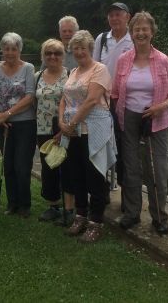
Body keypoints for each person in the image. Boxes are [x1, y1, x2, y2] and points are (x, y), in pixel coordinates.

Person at [111, 11, 168, 235]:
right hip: (128, 117)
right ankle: (132, 214)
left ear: (152, 32)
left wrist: (160, 107)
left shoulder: (163, 60)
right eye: (136, 29)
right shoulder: (124, 60)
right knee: (131, 169)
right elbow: (114, 93)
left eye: (145, 29)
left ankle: (159, 217)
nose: (140, 33)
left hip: (156, 118)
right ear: (131, 33)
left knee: (157, 171)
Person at [59, 30, 117, 243]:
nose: (80, 51)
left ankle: (96, 223)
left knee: (95, 176)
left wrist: (72, 123)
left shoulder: (99, 69)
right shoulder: (73, 71)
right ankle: (80, 216)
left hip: (93, 130)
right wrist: (61, 122)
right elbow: (64, 98)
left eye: (83, 47)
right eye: (76, 48)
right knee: (77, 175)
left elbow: (92, 100)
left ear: (90, 49)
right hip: (72, 132)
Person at [0, 32, 37, 218]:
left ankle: (24, 204)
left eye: (14, 49)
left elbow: (30, 96)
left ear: (19, 50)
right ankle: (12, 203)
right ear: (2, 50)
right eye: (7, 49)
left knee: (22, 165)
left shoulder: (28, 68)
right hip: (2, 124)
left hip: (24, 123)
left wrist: (7, 114)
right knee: (8, 164)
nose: (10, 52)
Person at [35, 39, 75, 225]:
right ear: (43, 55)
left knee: (67, 168)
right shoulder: (37, 76)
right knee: (48, 167)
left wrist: (64, 129)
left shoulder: (71, 76)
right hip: (42, 129)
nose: (52, 56)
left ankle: (70, 209)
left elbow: (75, 103)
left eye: (57, 53)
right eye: (48, 53)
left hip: (65, 128)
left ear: (63, 56)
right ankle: (53, 205)